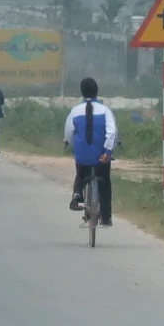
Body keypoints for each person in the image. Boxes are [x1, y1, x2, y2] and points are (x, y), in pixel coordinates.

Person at [65, 76, 116, 225]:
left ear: (81, 92)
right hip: (101, 157)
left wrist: (74, 144)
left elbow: (68, 133)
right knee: (105, 182)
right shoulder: (105, 111)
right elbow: (111, 133)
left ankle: (77, 194)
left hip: (82, 156)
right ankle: (106, 217)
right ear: (97, 92)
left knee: (81, 174)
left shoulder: (75, 111)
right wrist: (107, 152)